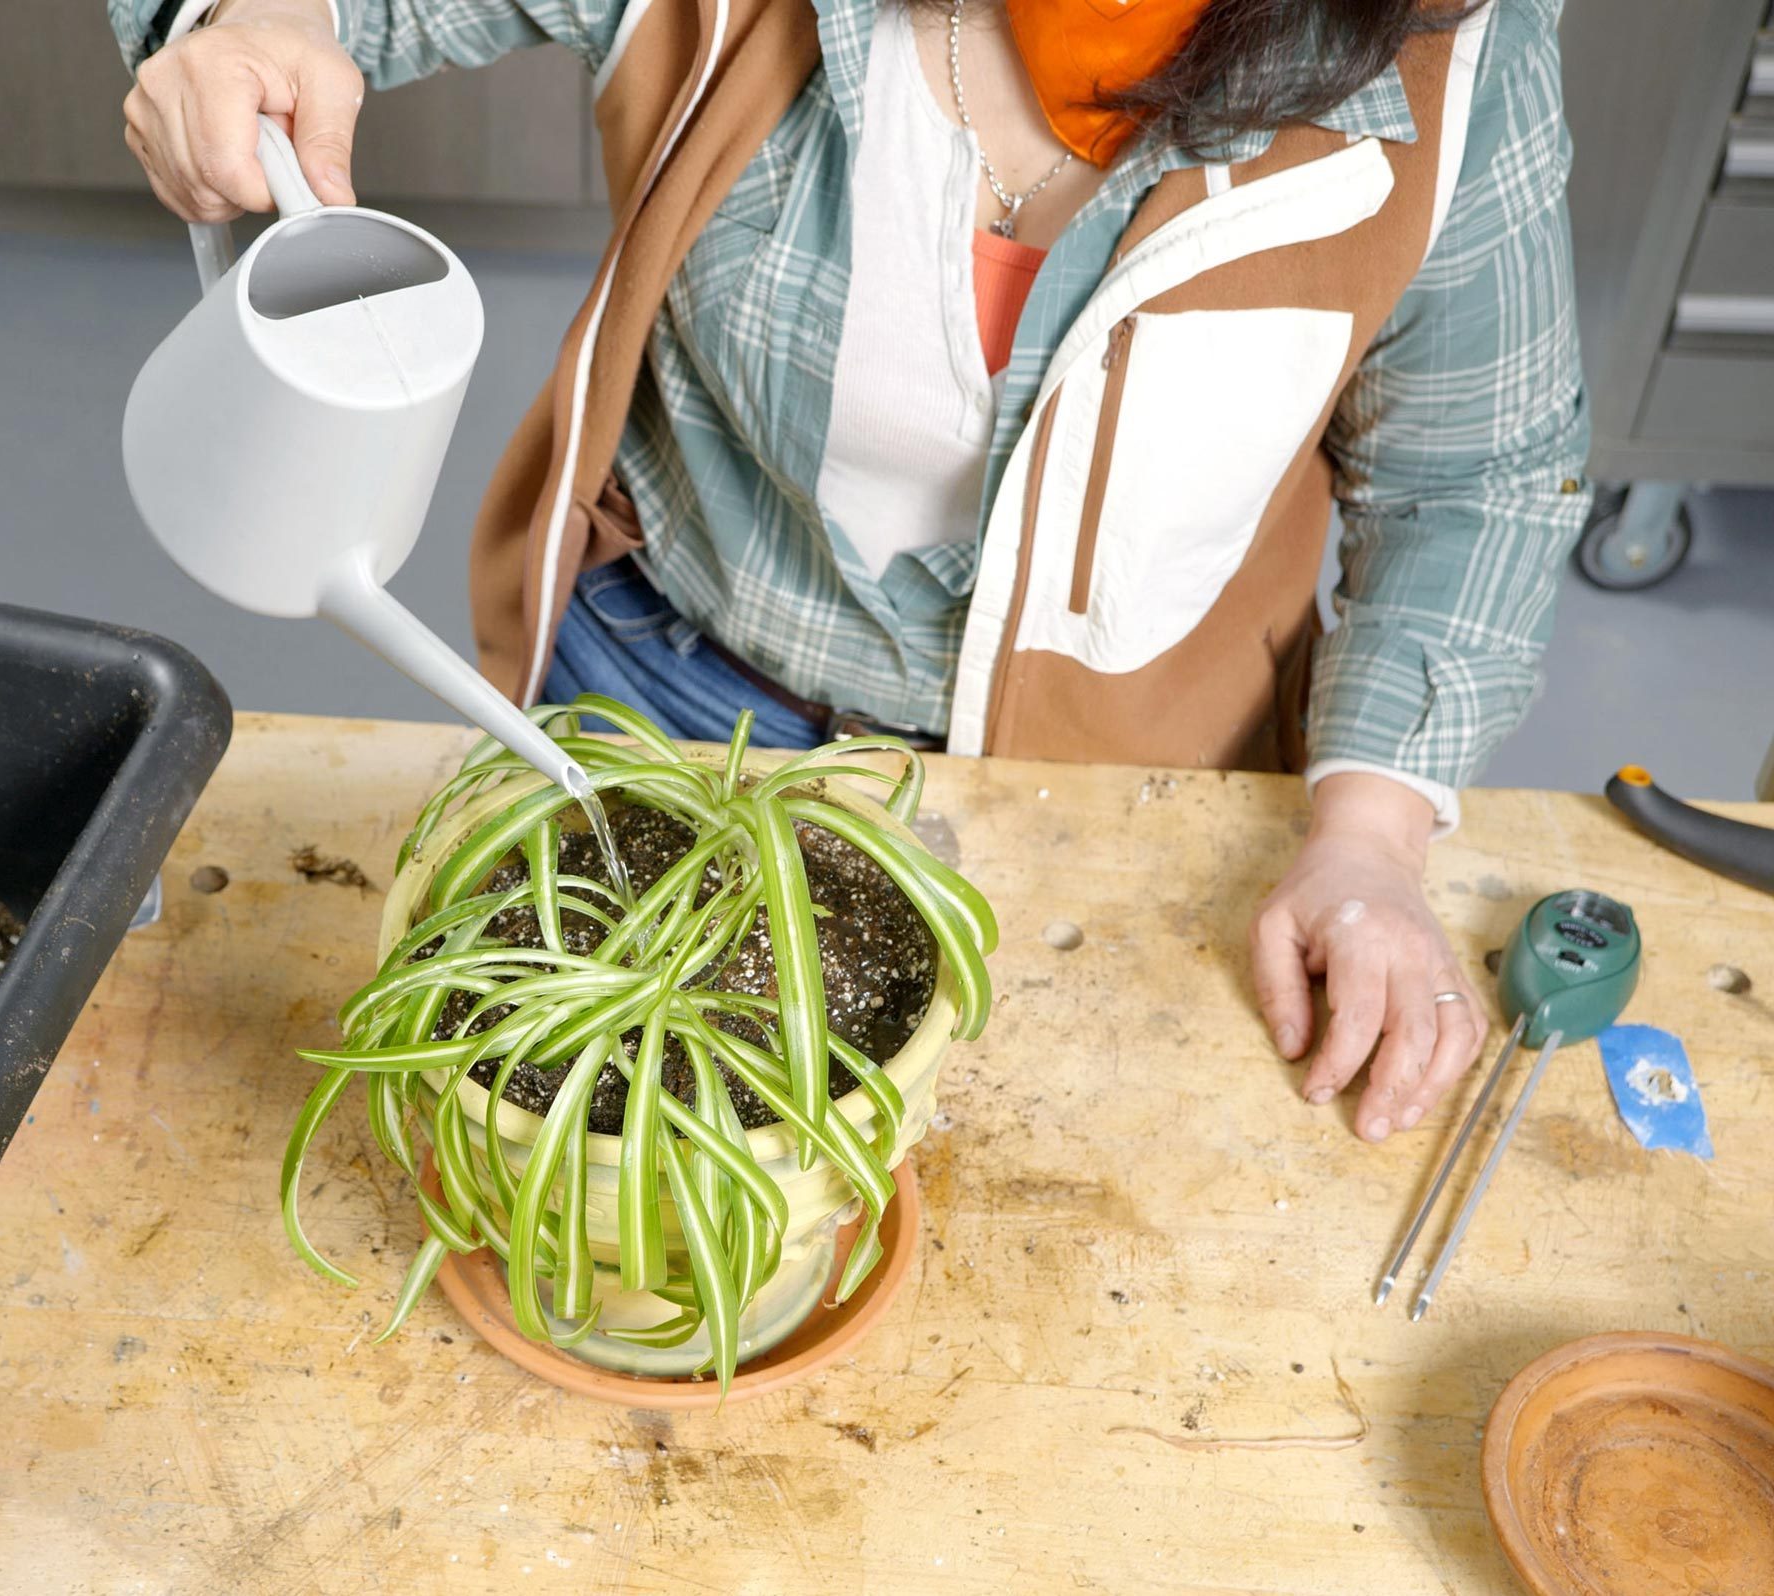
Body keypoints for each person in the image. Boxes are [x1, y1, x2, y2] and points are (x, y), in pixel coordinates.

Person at [109, 0, 1587, 1148]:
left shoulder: (1454, 60)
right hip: (658, 702)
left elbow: (1479, 477)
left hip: (1115, 819)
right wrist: (256, 31)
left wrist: (1372, 840)